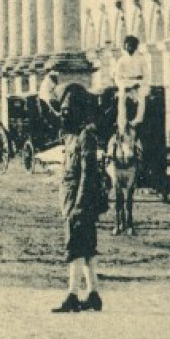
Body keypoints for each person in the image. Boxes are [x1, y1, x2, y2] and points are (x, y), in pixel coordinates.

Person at [54, 100, 105, 312]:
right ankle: (93, 293)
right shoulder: (71, 137)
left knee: (75, 246)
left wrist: (80, 204)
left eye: (68, 112)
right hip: (72, 199)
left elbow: (87, 174)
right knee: (86, 247)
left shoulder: (86, 137)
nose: (64, 117)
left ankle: (72, 295)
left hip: (80, 201)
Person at [111, 36, 148, 133]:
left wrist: (139, 84)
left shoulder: (141, 60)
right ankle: (122, 123)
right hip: (126, 84)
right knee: (122, 99)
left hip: (138, 84)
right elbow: (117, 77)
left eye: (132, 45)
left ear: (135, 46)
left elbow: (146, 75)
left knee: (141, 97)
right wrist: (123, 86)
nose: (130, 48)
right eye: (128, 45)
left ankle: (137, 119)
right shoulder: (121, 60)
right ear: (125, 46)